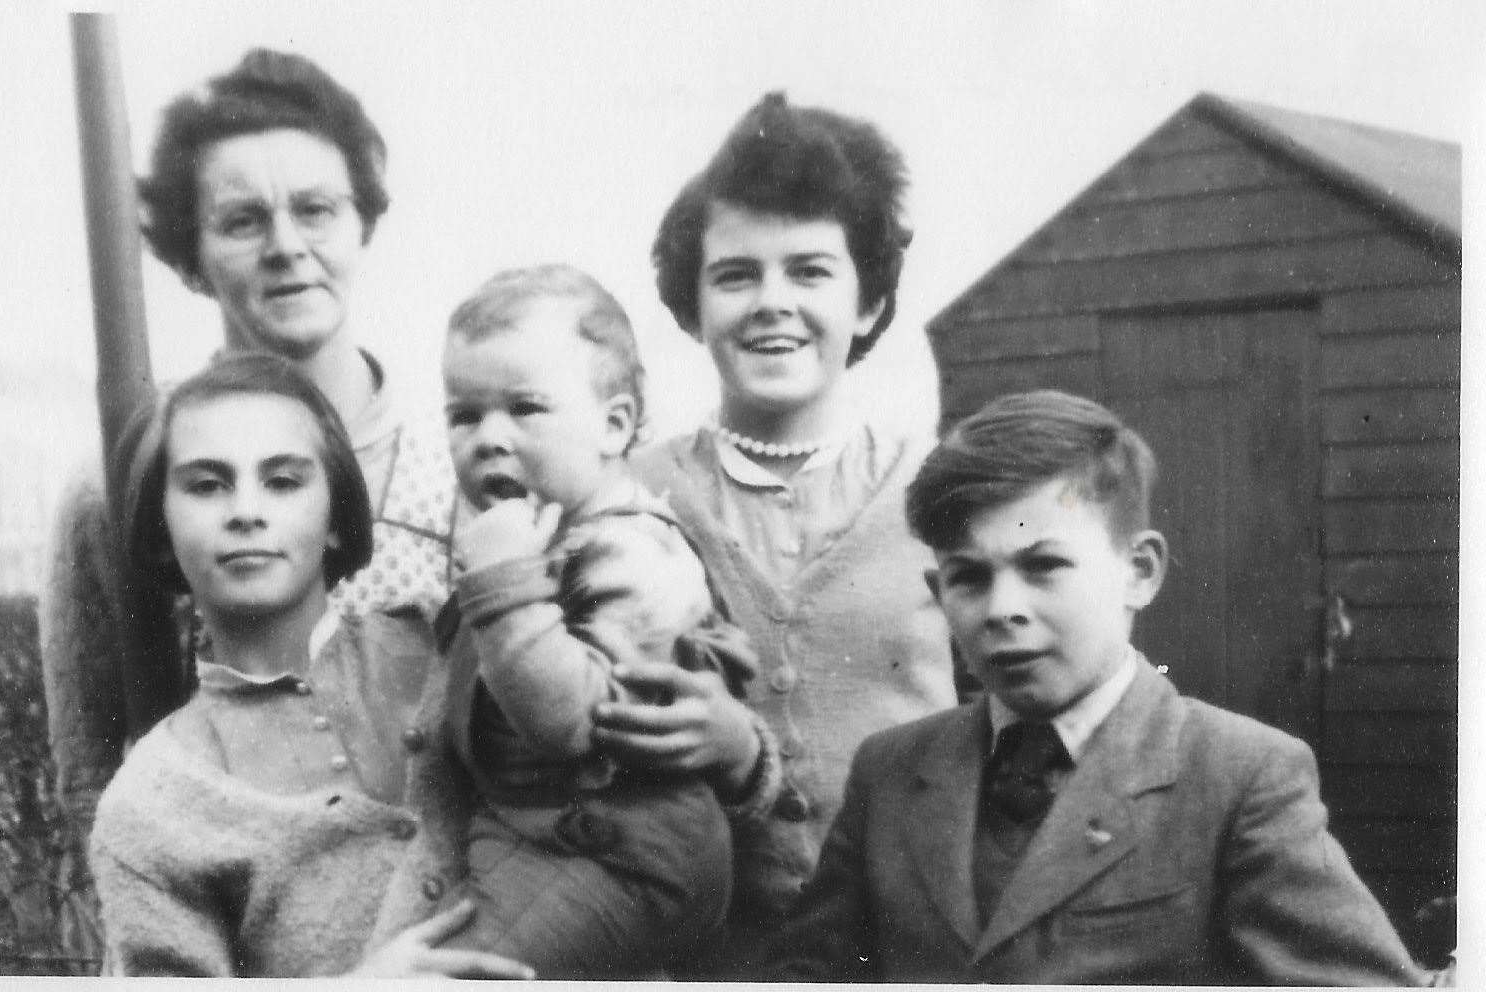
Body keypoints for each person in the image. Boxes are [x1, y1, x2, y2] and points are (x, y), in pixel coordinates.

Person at [769, 390, 1427, 985]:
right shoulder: (890, 770)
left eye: (1043, 565)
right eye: (969, 577)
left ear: (1138, 572)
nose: (1002, 608)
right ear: (938, 594)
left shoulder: (1238, 776)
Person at [42, 49, 457, 852]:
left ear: (361, 224)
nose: (286, 246)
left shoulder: (461, 465)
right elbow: (90, 776)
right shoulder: (121, 477)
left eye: (315, 209)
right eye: (242, 220)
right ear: (192, 261)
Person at [600, 91, 957, 975]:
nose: (773, 303)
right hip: (706, 948)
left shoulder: (948, 485)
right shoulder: (631, 495)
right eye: (736, 275)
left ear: (868, 305)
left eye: (809, 271)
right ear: (691, 308)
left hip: (916, 939)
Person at [88, 354, 529, 978]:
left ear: (333, 515)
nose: (246, 510)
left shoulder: (454, 653)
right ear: (160, 528)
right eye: (207, 484)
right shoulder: (155, 803)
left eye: (284, 481)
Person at [435, 265, 777, 977]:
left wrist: (501, 585)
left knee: (458, 978)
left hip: (628, 846)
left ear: (614, 425)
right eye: (464, 415)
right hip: (542, 833)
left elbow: (570, 724)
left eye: (525, 408)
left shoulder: (635, 549)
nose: (488, 438)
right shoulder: (538, 539)